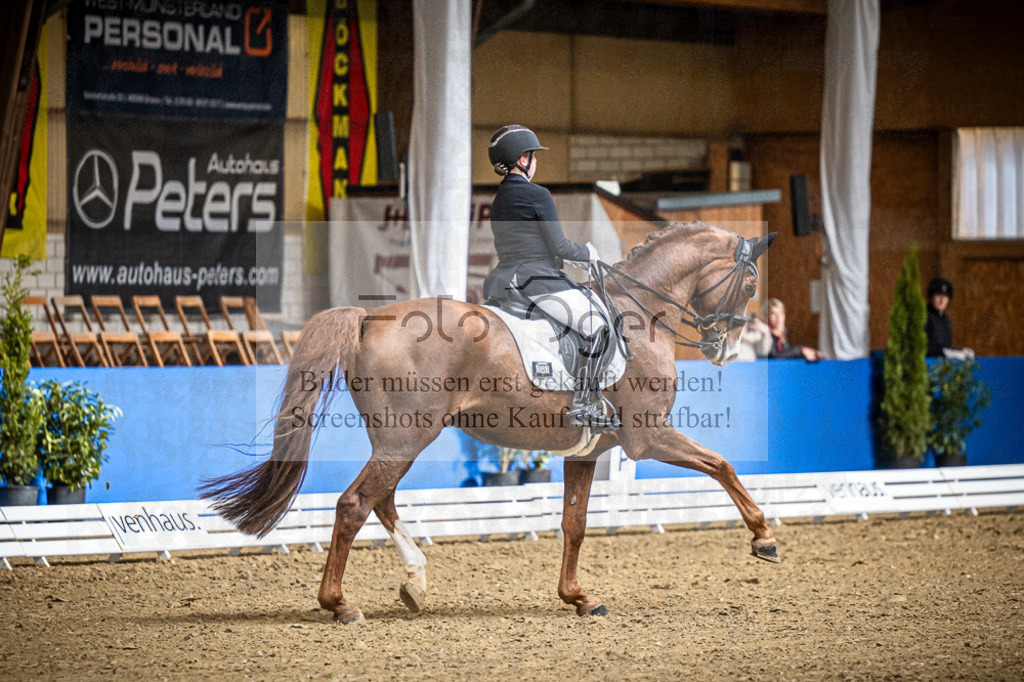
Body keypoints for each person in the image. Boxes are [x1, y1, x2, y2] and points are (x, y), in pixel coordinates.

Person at [482, 124, 618, 432]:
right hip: (535, 281)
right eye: (532, 155)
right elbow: (558, 245)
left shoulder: (499, 199)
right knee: (599, 328)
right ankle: (585, 404)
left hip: (504, 281)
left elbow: (525, 242)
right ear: (521, 159)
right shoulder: (537, 194)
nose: (535, 161)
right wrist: (587, 253)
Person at [758, 298, 823, 361]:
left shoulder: (783, 331)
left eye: (781, 313)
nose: (778, 317)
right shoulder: (763, 332)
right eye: (773, 313)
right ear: (766, 316)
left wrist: (807, 352)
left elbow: (786, 354)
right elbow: (774, 356)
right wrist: (801, 350)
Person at [925, 277, 954, 358]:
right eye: (938, 295)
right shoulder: (923, 317)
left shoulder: (945, 320)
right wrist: (945, 353)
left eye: (945, 296)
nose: (942, 300)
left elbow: (947, 345)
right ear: (931, 297)